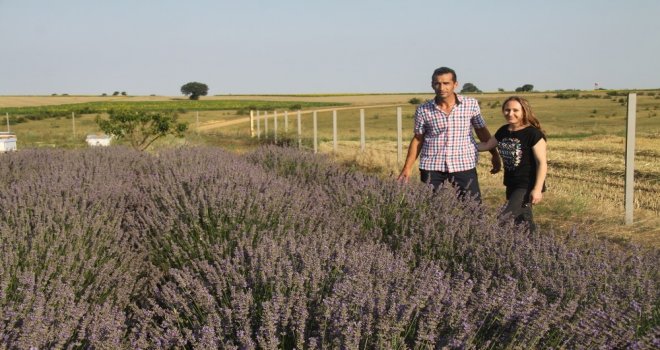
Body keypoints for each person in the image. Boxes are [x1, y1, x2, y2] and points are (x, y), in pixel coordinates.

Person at [398, 67, 501, 201]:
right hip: (432, 166)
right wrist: (407, 168)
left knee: (473, 209)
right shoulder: (423, 110)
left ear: (455, 84)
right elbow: (418, 139)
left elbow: (481, 131)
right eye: (437, 83)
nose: (441, 87)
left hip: (464, 164)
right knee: (430, 210)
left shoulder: (470, 104)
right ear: (432, 85)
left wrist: (494, 155)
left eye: (446, 83)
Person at [476, 96, 547, 233]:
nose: (510, 113)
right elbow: (487, 145)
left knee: (505, 217)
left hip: (527, 184)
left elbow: (542, 163)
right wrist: (462, 145)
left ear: (524, 111)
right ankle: (531, 247)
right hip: (511, 182)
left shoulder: (533, 133)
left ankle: (498, 245)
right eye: (507, 110)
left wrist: (537, 189)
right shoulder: (504, 130)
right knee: (522, 218)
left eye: (515, 110)